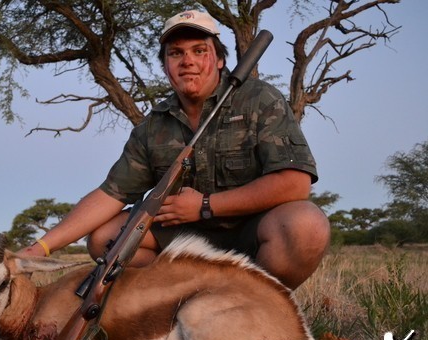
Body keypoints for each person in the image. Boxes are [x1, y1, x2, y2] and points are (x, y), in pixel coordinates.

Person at [22, 10, 330, 290]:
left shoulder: (260, 99)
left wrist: (206, 205)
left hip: (251, 234)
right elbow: (111, 195)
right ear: (166, 65)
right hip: (184, 244)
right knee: (104, 239)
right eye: (176, 53)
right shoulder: (152, 126)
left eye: (199, 51)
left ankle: (256, 303)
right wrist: (39, 249)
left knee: (307, 226)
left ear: (219, 60)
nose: (188, 61)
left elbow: (295, 183)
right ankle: (180, 302)